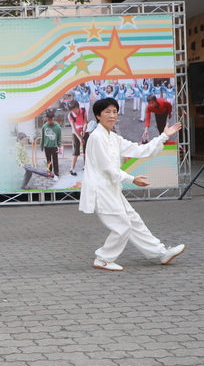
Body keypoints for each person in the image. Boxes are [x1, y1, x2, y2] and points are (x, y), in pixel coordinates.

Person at [79, 98, 185, 271]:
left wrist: (164, 136)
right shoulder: (97, 137)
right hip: (100, 190)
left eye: (114, 112)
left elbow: (138, 149)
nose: (112, 115)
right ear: (98, 115)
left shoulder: (113, 137)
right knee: (122, 226)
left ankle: (161, 253)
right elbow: (107, 168)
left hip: (111, 189)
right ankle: (103, 259)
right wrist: (132, 179)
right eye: (107, 112)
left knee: (133, 221)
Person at [66, 100, 87, 176]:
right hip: (75, 133)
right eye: (72, 110)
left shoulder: (83, 110)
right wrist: (79, 137)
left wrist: (83, 131)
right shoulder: (70, 115)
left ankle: (86, 166)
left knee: (86, 150)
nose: (74, 111)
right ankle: (72, 169)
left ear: (78, 107)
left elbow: (85, 122)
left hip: (84, 130)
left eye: (75, 109)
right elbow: (73, 128)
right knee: (76, 151)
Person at [41, 109, 62, 181]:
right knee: (48, 160)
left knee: (55, 160)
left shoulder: (57, 127)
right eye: (48, 120)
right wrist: (41, 146)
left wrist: (59, 146)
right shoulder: (44, 126)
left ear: (53, 118)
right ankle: (49, 171)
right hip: (47, 146)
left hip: (54, 146)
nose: (49, 121)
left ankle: (56, 173)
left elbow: (59, 137)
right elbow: (43, 137)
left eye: (50, 120)